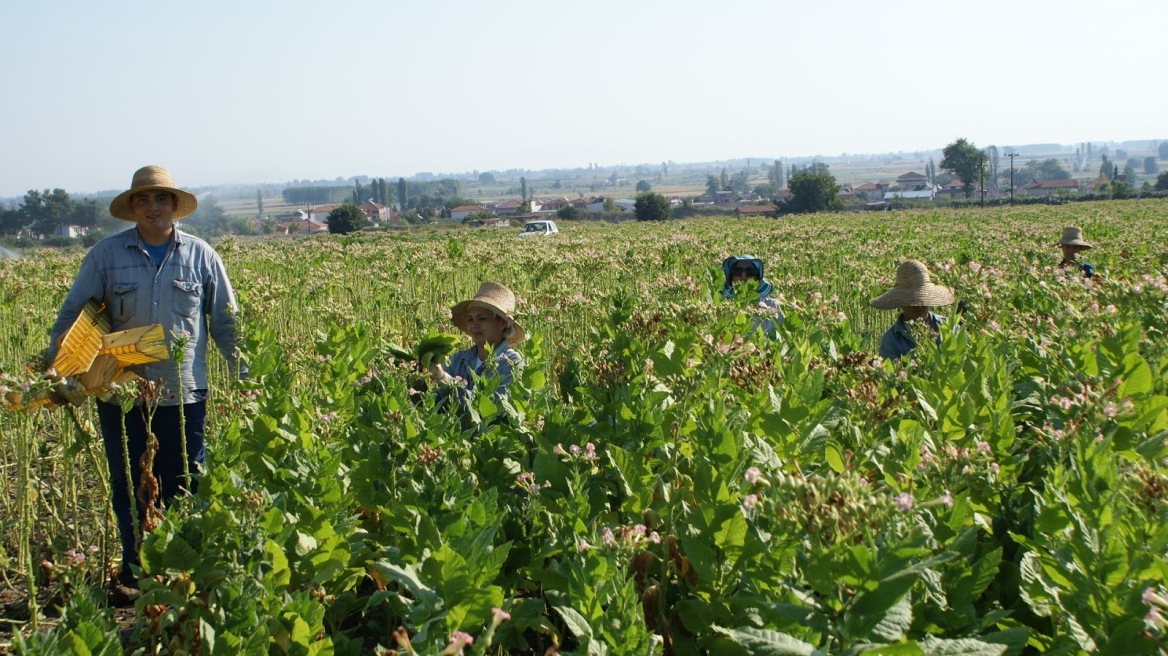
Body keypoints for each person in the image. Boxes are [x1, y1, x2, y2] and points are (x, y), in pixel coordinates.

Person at [47, 165, 245, 591]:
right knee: (129, 484)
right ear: (132, 207)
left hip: (184, 393)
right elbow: (74, 314)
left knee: (186, 481)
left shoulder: (202, 255)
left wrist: (246, 375)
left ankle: (182, 574)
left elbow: (226, 324)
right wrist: (54, 366)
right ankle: (135, 572)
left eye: (160, 199)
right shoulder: (105, 255)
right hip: (121, 393)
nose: (152, 207)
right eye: (143, 199)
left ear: (174, 206)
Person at [429, 282, 525, 408]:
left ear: (502, 323)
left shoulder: (512, 363)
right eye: (470, 319)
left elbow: (494, 408)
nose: (474, 325)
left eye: (482, 318)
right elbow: (435, 401)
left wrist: (443, 378)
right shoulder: (459, 359)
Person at [869, 260, 954, 360]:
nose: (919, 306)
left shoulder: (949, 327)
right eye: (913, 302)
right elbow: (891, 372)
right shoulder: (891, 340)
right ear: (901, 303)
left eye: (923, 299)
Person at [721, 255, 783, 334]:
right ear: (731, 278)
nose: (743, 275)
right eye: (737, 271)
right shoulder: (726, 309)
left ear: (757, 278)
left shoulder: (773, 305)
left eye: (750, 272)